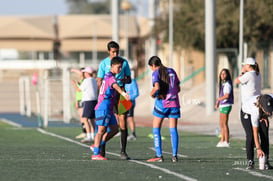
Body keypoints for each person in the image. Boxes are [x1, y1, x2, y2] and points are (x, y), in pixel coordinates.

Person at [96, 41, 132, 160]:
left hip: (121, 93)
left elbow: (129, 79)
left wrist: (124, 79)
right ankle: (101, 149)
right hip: (108, 96)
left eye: (117, 51)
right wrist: (99, 97)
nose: (115, 54)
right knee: (105, 126)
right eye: (113, 52)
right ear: (108, 52)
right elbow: (99, 80)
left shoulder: (124, 62)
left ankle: (123, 151)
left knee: (123, 122)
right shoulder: (104, 64)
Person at [146, 56, 181, 162]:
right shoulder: (172, 71)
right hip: (174, 103)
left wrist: (151, 94)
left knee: (156, 129)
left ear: (153, 65)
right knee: (173, 130)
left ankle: (159, 155)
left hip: (162, 103)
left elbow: (156, 87)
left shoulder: (156, 72)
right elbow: (178, 88)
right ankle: (174, 155)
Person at [235, 57, 262, 169]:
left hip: (247, 108)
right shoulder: (257, 74)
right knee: (260, 134)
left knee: (250, 136)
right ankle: (264, 160)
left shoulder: (248, 75)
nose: (243, 66)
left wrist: (242, 72)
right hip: (256, 106)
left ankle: (250, 161)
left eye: (244, 65)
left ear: (248, 65)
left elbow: (236, 81)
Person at [239, 94, 273, 170]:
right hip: (246, 113)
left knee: (264, 134)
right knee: (250, 136)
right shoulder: (255, 111)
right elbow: (255, 132)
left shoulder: (270, 99)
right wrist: (258, 148)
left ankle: (266, 161)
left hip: (260, 112)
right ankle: (250, 162)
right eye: (267, 110)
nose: (269, 112)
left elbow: (268, 110)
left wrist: (265, 116)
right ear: (261, 106)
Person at [72, 66, 98, 143]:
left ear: (87, 73)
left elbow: (79, 90)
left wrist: (74, 84)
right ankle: (93, 136)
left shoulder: (87, 81)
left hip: (88, 101)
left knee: (85, 119)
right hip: (94, 101)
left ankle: (89, 136)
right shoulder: (94, 80)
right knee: (92, 120)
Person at [215, 69, 234, 147]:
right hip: (223, 105)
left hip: (226, 105)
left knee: (224, 123)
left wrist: (219, 99)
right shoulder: (223, 84)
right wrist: (218, 102)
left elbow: (227, 95)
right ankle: (222, 140)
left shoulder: (227, 84)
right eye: (221, 74)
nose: (222, 75)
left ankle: (226, 141)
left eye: (224, 74)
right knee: (221, 123)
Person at [71, 68, 86, 139]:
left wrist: (73, 70)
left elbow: (79, 90)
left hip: (84, 99)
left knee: (85, 117)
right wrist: (77, 101)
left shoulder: (85, 80)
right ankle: (84, 132)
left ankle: (86, 132)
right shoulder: (81, 80)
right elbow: (78, 93)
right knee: (81, 117)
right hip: (80, 100)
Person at [125, 73, 139, 141]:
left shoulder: (132, 81)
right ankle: (125, 133)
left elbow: (136, 93)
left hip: (130, 103)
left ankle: (133, 134)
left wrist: (129, 98)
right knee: (123, 118)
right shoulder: (122, 82)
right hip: (123, 103)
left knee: (130, 118)